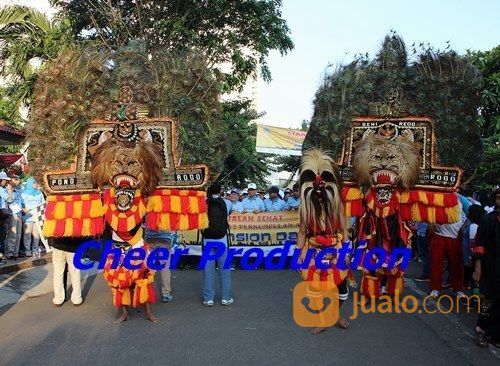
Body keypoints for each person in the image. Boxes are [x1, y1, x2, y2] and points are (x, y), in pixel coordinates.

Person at [296, 149, 351, 334]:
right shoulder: (306, 210)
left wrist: (346, 252)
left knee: (342, 292)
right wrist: (297, 256)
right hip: (313, 253)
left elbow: (344, 230)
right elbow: (302, 233)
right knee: (317, 292)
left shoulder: (337, 208)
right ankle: (323, 320)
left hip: (336, 251)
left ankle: (334, 315)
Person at [474, 188, 500, 348]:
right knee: (488, 300)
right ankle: (482, 331)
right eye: (498, 197)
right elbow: (479, 246)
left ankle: (495, 334)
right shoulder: (487, 220)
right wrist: (478, 269)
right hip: (489, 267)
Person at [201, 181, 233, 306]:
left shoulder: (203, 203)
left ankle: (208, 299)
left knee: (208, 270)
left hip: (207, 240)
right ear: (220, 191)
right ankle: (226, 297)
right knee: (224, 269)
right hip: (222, 240)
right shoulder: (228, 203)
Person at [428, 201, 466, 299]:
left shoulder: (461, 199)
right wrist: (430, 222)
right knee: (436, 264)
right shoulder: (437, 197)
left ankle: (458, 289)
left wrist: (464, 227)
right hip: (439, 235)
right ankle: (435, 289)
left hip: (455, 236)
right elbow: (429, 211)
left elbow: (471, 211)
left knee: (457, 264)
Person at [51, 237, 83, 307]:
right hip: (73, 246)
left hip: (58, 245)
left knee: (58, 273)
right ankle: (77, 298)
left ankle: (58, 299)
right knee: (75, 273)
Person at [145, 228, 173, 303]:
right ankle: (166, 294)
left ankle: (146, 292)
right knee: (165, 267)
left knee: (149, 266)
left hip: (150, 238)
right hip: (165, 238)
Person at [21, 177, 45, 259]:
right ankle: (27, 250)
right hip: (28, 217)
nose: (35, 184)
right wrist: (24, 210)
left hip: (37, 217)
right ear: (30, 184)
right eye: (34, 183)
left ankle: (35, 249)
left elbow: (43, 203)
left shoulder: (39, 193)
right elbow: (21, 204)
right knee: (27, 234)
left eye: (36, 183)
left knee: (36, 234)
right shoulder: (23, 193)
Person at [4, 174, 24, 259]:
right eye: (15, 179)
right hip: (12, 213)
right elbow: (8, 203)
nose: (18, 181)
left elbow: (20, 202)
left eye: (18, 179)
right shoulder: (6, 190)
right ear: (10, 180)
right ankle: (9, 253)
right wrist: (13, 213)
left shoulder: (17, 190)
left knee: (18, 234)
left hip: (19, 212)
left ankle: (16, 252)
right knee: (12, 233)